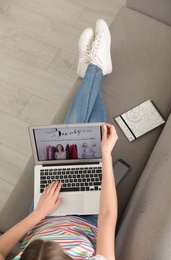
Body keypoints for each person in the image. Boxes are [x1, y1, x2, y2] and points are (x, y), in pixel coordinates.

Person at [0, 19, 118, 260]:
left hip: (44, 215)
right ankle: (93, 69)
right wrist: (106, 155)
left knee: (67, 144)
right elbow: (107, 220)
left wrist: (39, 214)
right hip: (88, 220)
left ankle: (93, 69)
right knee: (85, 143)